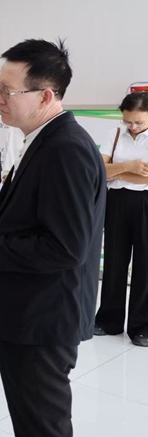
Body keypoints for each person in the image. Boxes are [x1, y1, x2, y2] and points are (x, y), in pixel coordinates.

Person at [0, 39, 106, 437]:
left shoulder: (66, 149)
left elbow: (67, 247)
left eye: (7, 91)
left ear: (45, 95)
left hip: (44, 319)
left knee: (42, 426)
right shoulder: (41, 140)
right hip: (29, 312)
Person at [94, 92, 148, 347]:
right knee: (114, 261)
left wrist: (116, 171)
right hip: (116, 202)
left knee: (145, 265)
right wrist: (129, 167)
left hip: (145, 201)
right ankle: (109, 320)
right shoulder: (115, 133)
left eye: (138, 122)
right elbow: (99, 170)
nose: (132, 126)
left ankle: (142, 326)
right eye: (128, 121)